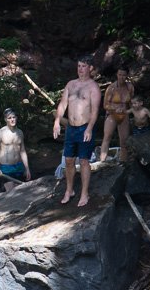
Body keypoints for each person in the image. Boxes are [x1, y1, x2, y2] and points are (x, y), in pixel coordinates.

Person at [53, 55, 101, 206]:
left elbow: (95, 111)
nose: (80, 69)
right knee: (68, 160)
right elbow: (62, 105)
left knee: (84, 161)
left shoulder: (93, 87)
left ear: (90, 68)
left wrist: (89, 129)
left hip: (84, 128)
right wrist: (56, 122)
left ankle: (84, 194)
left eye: (84, 66)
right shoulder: (71, 84)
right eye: (79, 66)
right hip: (70, 129)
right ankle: (69, 190)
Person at [99, 66, 134, 162]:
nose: (121, 77)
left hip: (124, 114)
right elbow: (105, 105)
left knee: (124, 141)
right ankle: (102, 161)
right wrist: (115, 108)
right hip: (112, 114)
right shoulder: (111, 88)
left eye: (123, 75)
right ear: (117, 75)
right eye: (119, 75)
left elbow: (131, 102)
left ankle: (123, 162)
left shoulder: (130, 87)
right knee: (107, 137)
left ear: (127, 76)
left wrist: (132, 111)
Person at [0, 108, 31, 192]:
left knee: (19, 192)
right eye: (9, 118)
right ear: (5, 119)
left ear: (16, 118)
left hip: (19, 167)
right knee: (11, 193)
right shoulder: (0, 133)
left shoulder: (20, 132)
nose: (12, 119)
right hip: (6, 168)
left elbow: (23, 151)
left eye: (14, 117)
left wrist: (27, 168)